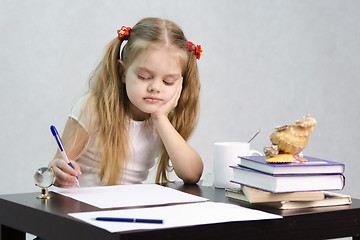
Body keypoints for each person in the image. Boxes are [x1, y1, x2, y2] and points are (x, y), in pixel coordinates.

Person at [48, 17, 204, 188]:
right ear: (123, 72)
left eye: (168, 82)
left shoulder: (164, 118)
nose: (155, 87)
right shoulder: (94, 108)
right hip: (84, 207)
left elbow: (192, 174)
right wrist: (59, 171)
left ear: (180, 84)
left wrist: (159, 117)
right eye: (144, 77)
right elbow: (57, 166)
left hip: (130, 207)